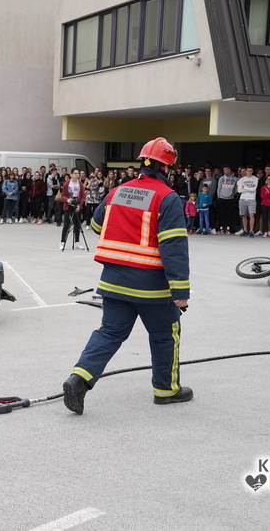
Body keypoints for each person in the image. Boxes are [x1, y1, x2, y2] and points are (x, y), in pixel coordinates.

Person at [63, 137, 191, 415]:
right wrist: (181, 292)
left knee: (110, 332)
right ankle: (166, 390)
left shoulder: (117, 191)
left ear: (142, 163)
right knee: (165, 335)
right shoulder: (167, 198)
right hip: (151, 286)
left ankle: (79, 378)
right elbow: (174, 248)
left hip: (114, 282)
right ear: (166, 167)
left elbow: (97, 225)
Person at [59, 169, 86, 250]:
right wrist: (67, 200)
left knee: (77, 225)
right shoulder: (67, 183)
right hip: (68, 205)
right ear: (71, 174)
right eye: (75, 173)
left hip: (77, 205)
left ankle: (77, 242)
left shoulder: (80, 184)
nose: (77, 175)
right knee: (66, 224)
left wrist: (79, 205)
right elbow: (63, 195)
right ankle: (62, 242)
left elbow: (83, 196)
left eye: (78, 173)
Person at [236, 166, 258, 237]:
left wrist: (244, 187)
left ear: (252, 171)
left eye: (250, 171)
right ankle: (245, 230)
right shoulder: (242, 179)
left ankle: (251, 231)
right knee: (243, 215)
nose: (249, 172)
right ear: (246, 171)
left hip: (252, 199)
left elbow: (254, 189)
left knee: (252, 215)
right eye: (248, 171)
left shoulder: (255, 179)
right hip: (242, 199)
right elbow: (239, 190)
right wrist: (248, 188)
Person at [216, 166, 238, 234]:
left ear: (230, 170)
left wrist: (233, 195)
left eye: (227, 170)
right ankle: (222, 228)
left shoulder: (235, 179)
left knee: (230, 215)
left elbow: (235, 189)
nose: (225, 171)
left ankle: (229, 228)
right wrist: (219, 197)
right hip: (222, 198)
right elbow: (219, 188)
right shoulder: (221, 178)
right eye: (224, 170)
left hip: (230, 199)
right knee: (222, 214)